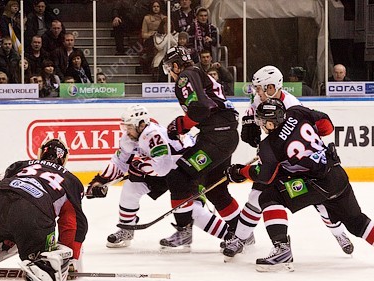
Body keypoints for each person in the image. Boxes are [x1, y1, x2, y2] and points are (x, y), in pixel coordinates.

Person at [225, 99, 374, 272]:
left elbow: (264, 177)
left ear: (271, 123)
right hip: (337, 174)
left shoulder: (269, 146)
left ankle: (282, 249)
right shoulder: (296, 112)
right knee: (357, 222)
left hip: (316, 184)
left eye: (262, 121)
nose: (261, 125)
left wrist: (240, 172)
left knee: (268, 197)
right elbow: (327, 126)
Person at [223, 65, 353, 259]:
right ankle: (240, 238)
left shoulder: (292, 105)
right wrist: (250, 124)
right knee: (257, 195)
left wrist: (273, 152)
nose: (256, 92)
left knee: (322, 202)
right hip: (280, 161)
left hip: (303, 161)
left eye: (259, 88)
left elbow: (311, 132)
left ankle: (339, 233)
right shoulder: (259, 99)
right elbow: (256, 118)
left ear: (271, 87)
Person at [86, 104, 229, 249]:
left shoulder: (153, 135)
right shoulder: (130, 137)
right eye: (125, 127)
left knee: (191, 210)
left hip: (187, 170)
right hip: (167, 170)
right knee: (131, 187)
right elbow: (119, 162)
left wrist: (139, 166)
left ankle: (231, 236)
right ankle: (126, 228)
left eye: (129, 127)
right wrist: (100, 181)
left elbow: (162, 168)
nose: (126, 131)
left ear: (141, 125)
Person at [0, 139, 88, 281]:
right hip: (32, 211)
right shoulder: (72, 181)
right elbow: (73, 222)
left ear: (41, 153)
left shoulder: (20, 165)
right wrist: (70, 256)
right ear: (64, 158)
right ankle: (42, 267)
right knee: (40, 253)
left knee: (0, 233)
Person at [159, 46, 241, 249]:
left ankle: (184, 231)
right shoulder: (197, 72)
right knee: (215, 188)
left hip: (216, 137)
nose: (170, 73)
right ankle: (242, 234)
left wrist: (181, 125)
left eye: (169, 68)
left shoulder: (185, 76)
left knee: (178, 177)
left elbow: (201, 108)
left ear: (176, 65)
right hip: (225, 136)